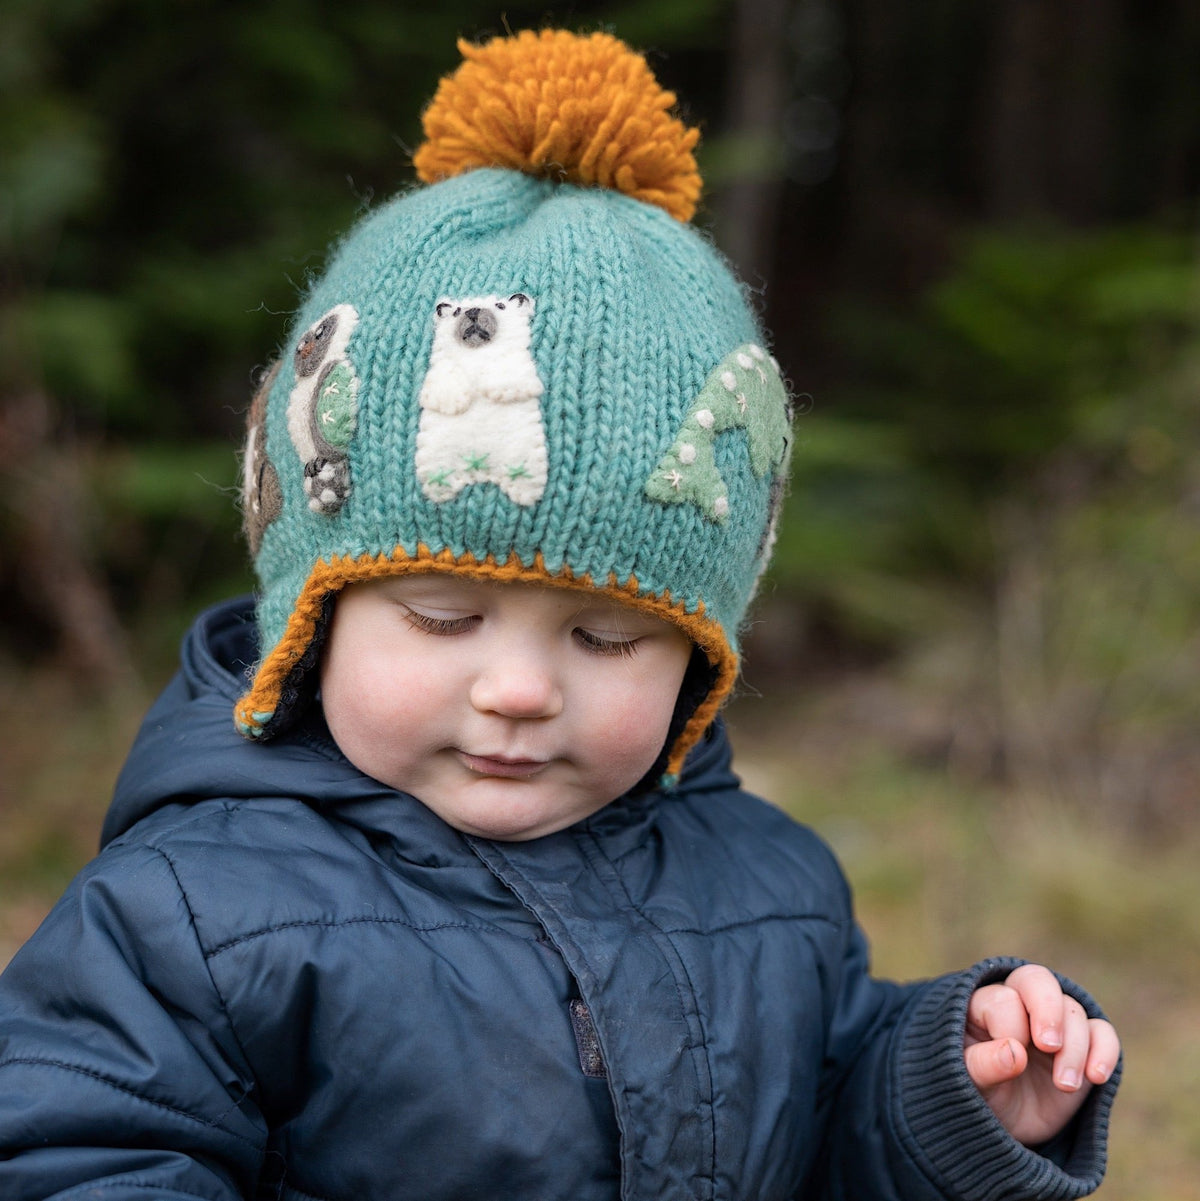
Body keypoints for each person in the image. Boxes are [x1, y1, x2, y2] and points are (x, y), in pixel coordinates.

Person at [0, 28, 1119, 1201]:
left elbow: (825, 1133)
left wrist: (951, 1101)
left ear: (700, 652)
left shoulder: (774, 894)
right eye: (442, 615)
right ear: (314, 615)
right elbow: (73, 1156)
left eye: (606, 635)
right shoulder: (192, 917)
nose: (521, 689)